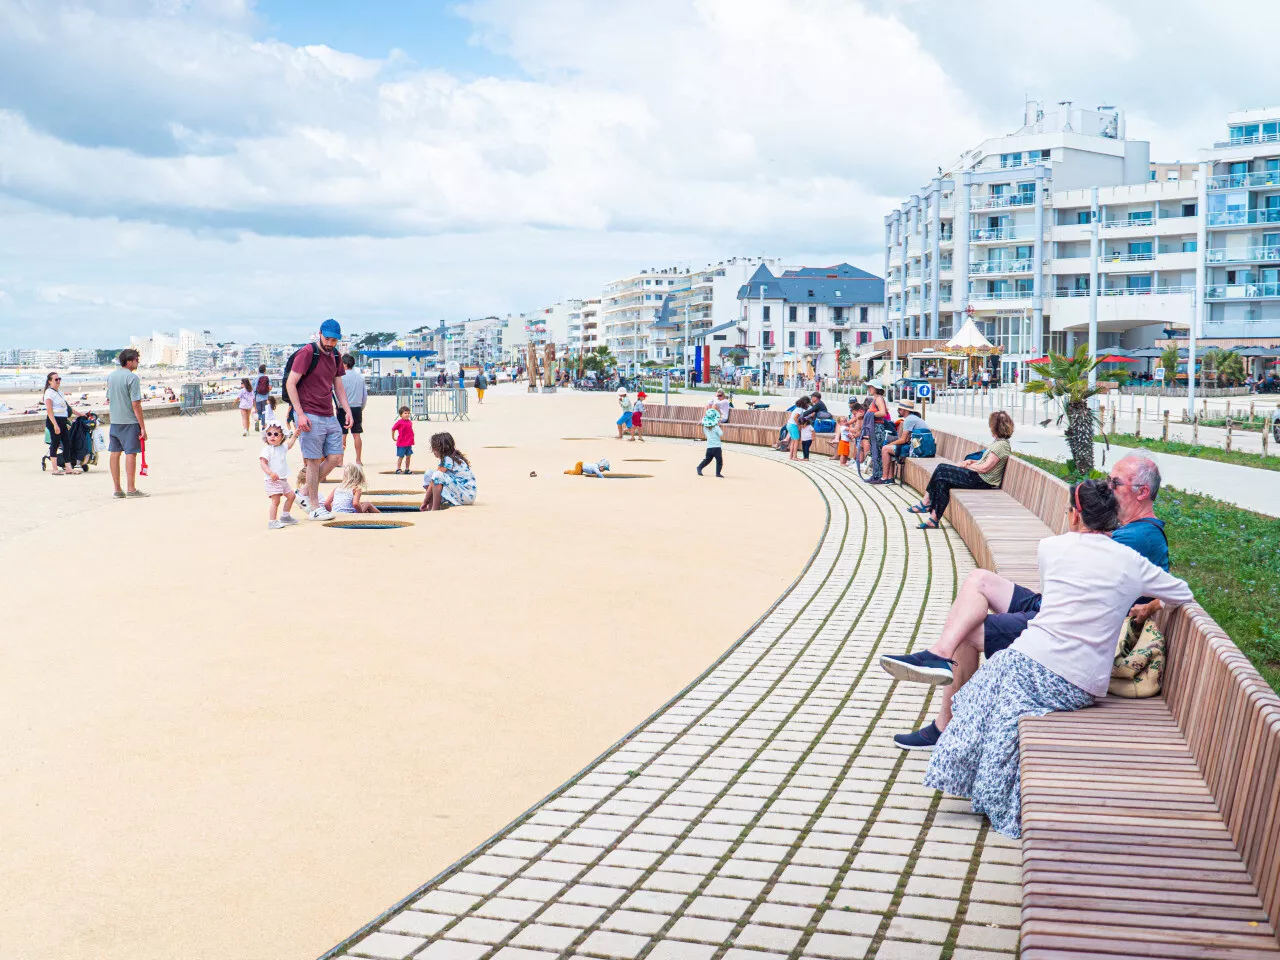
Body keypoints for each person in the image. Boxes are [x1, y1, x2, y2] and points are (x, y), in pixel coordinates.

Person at [900, 480, 1193, 838]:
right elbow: (1182, 593)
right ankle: (974, 768)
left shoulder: (1051, 548)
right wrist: (1152, 603)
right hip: (1079, 682)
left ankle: (969, 769)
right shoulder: (1131, 562)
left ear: (1075, 515)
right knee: (995, 694)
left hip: (1034, 656)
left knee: (986, 694)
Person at [884, 455, 1173, 750]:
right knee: (979, 579)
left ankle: (944, 727)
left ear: (1142, 492)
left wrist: (1154, 604)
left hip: (1068, 627)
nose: (1108, 487)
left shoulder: (1140, 538)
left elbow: (1079, 561)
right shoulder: (1128, 531)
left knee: (967, 634)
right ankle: (939, 654)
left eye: (1115, 482)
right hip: (1056, 607)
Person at [287, 319, 354, 521]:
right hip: (309, 413)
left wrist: (347, 410)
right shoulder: (307, 353)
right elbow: (291, 383)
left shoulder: (335, 355)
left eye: (334, 340)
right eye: (327, 338)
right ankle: (315, 507)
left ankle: (305, 492)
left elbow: (338, 387)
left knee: (336, 457)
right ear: (319, 334)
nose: (330, 343)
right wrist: (299, 414)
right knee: (313, 461)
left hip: (329, 413)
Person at [911, 411, 1013, 529]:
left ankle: (926, 502)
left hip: (981, 480)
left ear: (995, 426)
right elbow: (985, 463)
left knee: (941, 469)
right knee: (943, 482)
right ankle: (933, 520)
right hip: (978, 477)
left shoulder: (1001, 445)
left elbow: (985, 468)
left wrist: (966, 466)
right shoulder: (999, 443)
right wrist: (970, 462)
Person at [107, 348, 148, 499]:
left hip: (115, 421)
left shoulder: (111, 377)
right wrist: (142, 427)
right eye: (137, 359)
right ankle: (131, 488)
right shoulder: (132, 378)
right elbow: (136, 404)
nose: (138, 362)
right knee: (131, 453)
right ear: (129, 361)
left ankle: (117, 489)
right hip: (129, 422)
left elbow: (109, 398)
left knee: (115, 453)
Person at [421, 432, 476, 511]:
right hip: (460, 492)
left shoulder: (448, 459)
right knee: (429, 474)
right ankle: (432, 505)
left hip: (466, 494)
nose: (432, 450)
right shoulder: (448, 458)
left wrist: (425, 501)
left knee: (437, 476)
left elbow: (435, 479)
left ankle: (435, 509)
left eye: (434, 448)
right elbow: (432, 480)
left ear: (441, 449)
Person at [43, 372, 84, 476]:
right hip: (54, 420)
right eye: (56, 379)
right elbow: (49, 411)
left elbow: (67, 407)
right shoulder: (49, 393)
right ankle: (55, 468)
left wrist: (79, 414)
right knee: (55, 443)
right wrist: (55, 425)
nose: (58, 381)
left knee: (67, 443)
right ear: (49, 381)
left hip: (63, 420)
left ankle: (68, 468)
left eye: (59, 379)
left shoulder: (59, 392)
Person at [258, 423, 299, 529]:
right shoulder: (266, 450)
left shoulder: (282, 447)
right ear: (265, 436)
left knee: (291, 496)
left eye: (276, 434)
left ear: (282, 437)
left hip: (282, 479)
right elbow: (263, 463)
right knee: (276, 501)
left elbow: (289, 444)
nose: (272, 436)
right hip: (272, 480)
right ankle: (272, 521)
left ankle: (285, 516)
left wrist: (295, 435)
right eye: (269, 434)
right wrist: (270, 473)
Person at [879, 400, 927, 484]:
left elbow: (903, 440)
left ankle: (884, 478)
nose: (898, 410)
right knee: (890, 448)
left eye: (900, 409)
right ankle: (890, 478)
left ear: (906, 411)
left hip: (918, 449)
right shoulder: (913, 418)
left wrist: (890, 444)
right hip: (920, 447)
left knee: (885, 449)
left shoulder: (909, 420)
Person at [338, 354, 367, 465]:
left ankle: (340, 460)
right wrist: (361, 407)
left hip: (343, 408)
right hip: (356, 407)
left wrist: (338, 406)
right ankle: (358, 459)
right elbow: (365, 396)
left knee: (342, 434)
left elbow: (337, 393)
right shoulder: (360, 377)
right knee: (357, 434)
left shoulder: (341, 377)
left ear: (344, 364)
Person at [697, 407, 724, 477]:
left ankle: (699, 467)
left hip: (709, 446)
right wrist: (719, 426)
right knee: (719, 461)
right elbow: (721, 434)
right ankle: (718, 473)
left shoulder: (705, 428)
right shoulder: (716, 427)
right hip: (717, 446)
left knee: (707, 459)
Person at [786, 396, 811, 461]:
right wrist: (799, 425)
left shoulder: (797, 408)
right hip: (793, 425)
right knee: (796, 441)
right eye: (808, 403)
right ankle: (794, 457)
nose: (808, 405)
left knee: (793, 441)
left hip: (789, 424)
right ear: (805, 403)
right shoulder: (799, 410)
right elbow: (795, 418)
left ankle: (791, 456)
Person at [392, 406, 415, 473]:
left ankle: (407, 469)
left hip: (409, 443)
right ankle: (398, 469)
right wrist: (393, 437)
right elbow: (393, 429)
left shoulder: (410, 422)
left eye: (408, 413)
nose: (407, 414)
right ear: (401, 415)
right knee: (401, 456)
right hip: (402, 443)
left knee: (408, 456)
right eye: (405, 413)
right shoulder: (399, 422)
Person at [253, 364, 271, 431]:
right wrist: (265, 391)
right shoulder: (267, 378)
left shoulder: (255, 378)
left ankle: (257, 421)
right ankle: (263, 426)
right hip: (265, 398)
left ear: (258, 371)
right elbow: (270, 387)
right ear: (265, 371)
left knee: (258, 411)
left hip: (257, 398)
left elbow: (253, 389)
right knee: (264, 412)